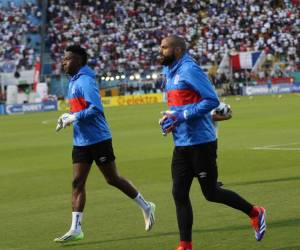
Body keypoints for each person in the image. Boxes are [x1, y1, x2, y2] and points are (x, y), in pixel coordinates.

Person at [158, 35, 266, 250]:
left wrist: (183, 116)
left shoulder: (190, 69)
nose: (160, 51)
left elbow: (211, 100)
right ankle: (185, 245)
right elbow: (179, 106)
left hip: (201, 142)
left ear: (178, 50)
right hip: (181, 142)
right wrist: (169, 119)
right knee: (179, 193)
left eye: (164, 47)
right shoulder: (169, 71)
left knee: (211, 193)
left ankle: (255, 212)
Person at [54, 45, 155, 242]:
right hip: (81, 141)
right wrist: (67, 116)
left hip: (99, 138)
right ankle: (76, 229)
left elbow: (96, 109)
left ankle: (146, 206)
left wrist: (74, 117)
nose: (63, 62)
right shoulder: (73, 81)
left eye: (68, 59)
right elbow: (79, 109)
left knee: (112, 179)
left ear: (79, 61)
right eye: (63, 58)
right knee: (77, 182)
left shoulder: (86, 81)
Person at [211, 102, 233, 187]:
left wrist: (228, 111)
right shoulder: (211, 102)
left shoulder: (216, 103)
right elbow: (213, 116)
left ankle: (211, 181)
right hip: (210, 137)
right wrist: (227, 117)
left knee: (210, 160)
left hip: (210, 136)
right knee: (211, 160)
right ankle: (212, 182)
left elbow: (228, 108)